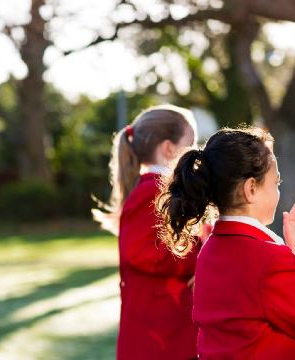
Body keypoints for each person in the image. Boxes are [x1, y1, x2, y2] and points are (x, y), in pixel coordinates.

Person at [157, 127, 295, 359]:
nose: (278, 191)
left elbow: (258, 308)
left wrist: (294, 255)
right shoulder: (270, 259)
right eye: (276, 183)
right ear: (251, 188)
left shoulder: (211, 247)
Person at [92, 104, 201, 360]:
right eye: (192, 143)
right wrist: (200, 259)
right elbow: (143, 253)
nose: (197, 154)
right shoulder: (151, 193)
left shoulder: (163, 191)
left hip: (167, 328)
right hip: (157, 335)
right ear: (168, 148)